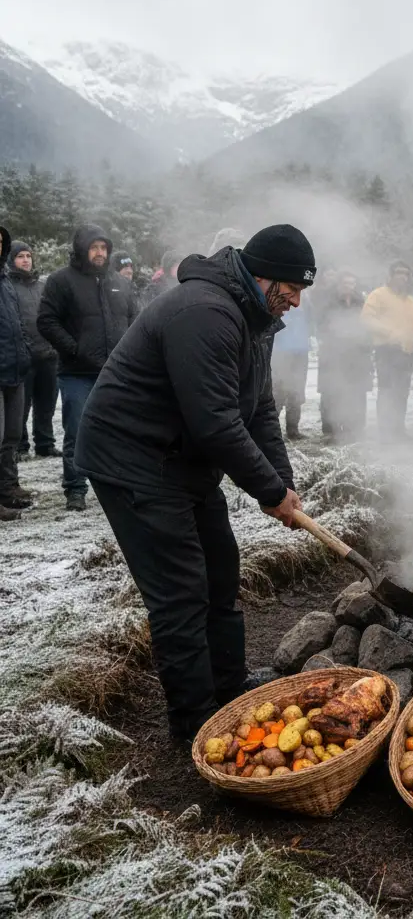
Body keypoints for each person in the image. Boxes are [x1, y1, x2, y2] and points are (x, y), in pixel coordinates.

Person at [74, 225, 316, 739]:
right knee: (181, 592)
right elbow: (215, 420)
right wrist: (269, 493)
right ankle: (195, 722)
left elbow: (259, 408)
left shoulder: (256, 318)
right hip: (134, 458)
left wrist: (283, 483)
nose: (295, 301)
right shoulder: (206, 312)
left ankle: (228, 689)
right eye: (292, 288)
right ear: (264, 275)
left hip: (183, 459)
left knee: (220, 572)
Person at [37, 224, 137, 511]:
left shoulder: (120, 282)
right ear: (82, 249)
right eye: (94, 247)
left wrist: (130, 355)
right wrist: (74, 349)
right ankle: (76, 489)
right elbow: (46, 321)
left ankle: (121, 485)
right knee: (78, 432)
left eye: (104, 248)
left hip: (116, 372)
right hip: (76, 374)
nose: (100, 253)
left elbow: (135, 320)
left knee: (120, 432)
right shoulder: (61, 281)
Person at [9, 239, 59, 460]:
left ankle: (45, 443)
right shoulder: (7, 286)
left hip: (48, 354)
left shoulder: (42, 286)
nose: (26, 260)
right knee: (21, 406)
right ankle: (21, 446)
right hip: (23, 356)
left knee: (46, 403)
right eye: (21, 256)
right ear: (11, 260)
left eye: (28, 256)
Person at [362, 261, 413, 440]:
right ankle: (386, 432)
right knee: (387, 392)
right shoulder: (378, 295)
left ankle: (398, 430)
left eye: (406, 274)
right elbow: (366, 319)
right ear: (390, 275)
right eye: (398, 273)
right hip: (386, 351)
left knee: (402, 393)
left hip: (406, 353)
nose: (402, 277)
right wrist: (389, 332)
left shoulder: (411, 301)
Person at [316, 270, 371, 443]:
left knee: (356, 392)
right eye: (345, 283)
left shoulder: (361, 302)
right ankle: (332, 430)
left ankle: (355, 429)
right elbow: (321, 326)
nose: (349, 287)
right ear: (339, 285)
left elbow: (367, 326)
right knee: (333, 391)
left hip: (356, 355)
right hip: (334, 354)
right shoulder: (328, 302)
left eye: (352, 283)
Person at [0, 226, 32, 519]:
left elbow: (16, 323)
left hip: (15, 370)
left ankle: (8, 488)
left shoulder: (6, 282)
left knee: (11, 435)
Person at [271, 300, 310, 439]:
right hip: (282, 352)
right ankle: (270, 429)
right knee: (279, 391)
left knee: (297, 391)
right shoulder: (281, 300)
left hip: (301, 351)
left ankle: (293, 430)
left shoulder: (307, 303)